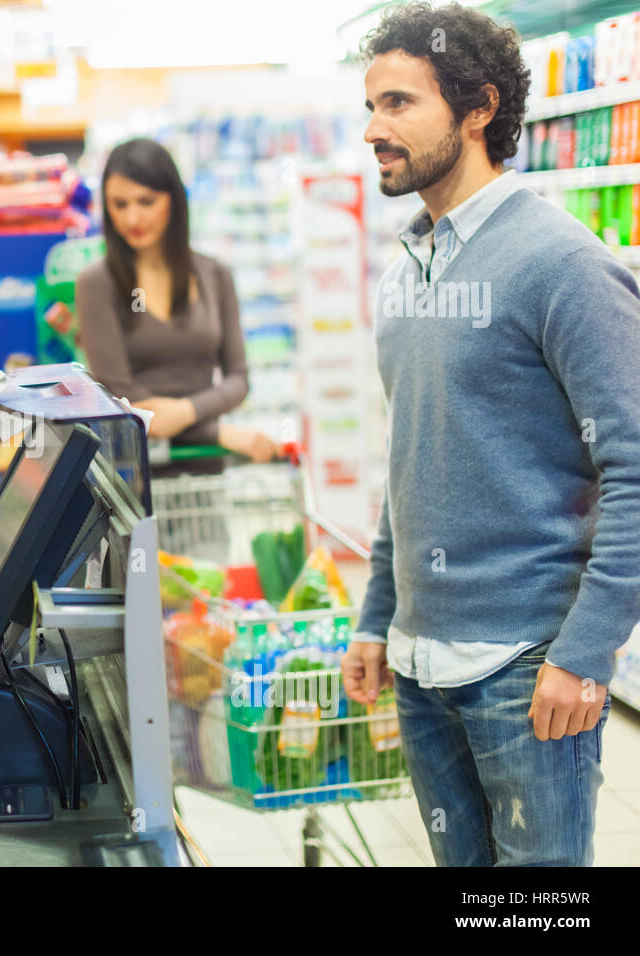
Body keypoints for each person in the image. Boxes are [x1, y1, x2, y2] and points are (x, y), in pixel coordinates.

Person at [343, 2, 640, 866]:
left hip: (526, 665)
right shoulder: (412, 266)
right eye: (371, 106)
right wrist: (377, 618)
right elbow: (416, 460)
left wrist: (586, 654)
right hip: (419, 663)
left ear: (477, 109)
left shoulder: (563, 264)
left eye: (399, 103)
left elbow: (633, 470)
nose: (373, 129)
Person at [74, 137, 280, 470]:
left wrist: (186, 412)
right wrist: (218, 433)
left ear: (174, 200)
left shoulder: (215, 274)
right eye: (120, 204)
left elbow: (238, 380)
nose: (132, 218)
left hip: (205, 478)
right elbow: (124, 399)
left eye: (146, 201)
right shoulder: (97, 284)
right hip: (134, 478)